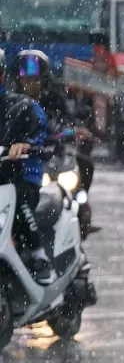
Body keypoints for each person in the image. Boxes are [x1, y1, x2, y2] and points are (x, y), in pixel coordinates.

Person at [0, 48, 53, 283]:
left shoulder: (23, 106)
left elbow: (39, 127)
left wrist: (25, 144)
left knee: (17, 196)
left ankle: (39, 255)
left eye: (34, 77)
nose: (29, 82)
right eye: (24, 77)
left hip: (19, 177)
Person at [13, 49, 96, 195]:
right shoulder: (11, 101)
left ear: (43, 80)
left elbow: (66, 122)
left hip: (51, 153)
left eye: (35, 80)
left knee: (85, 165)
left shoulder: (55, 99)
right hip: (16, 157)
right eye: (25, 80)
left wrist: (74, 131)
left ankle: (80, 203)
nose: (30, 84)